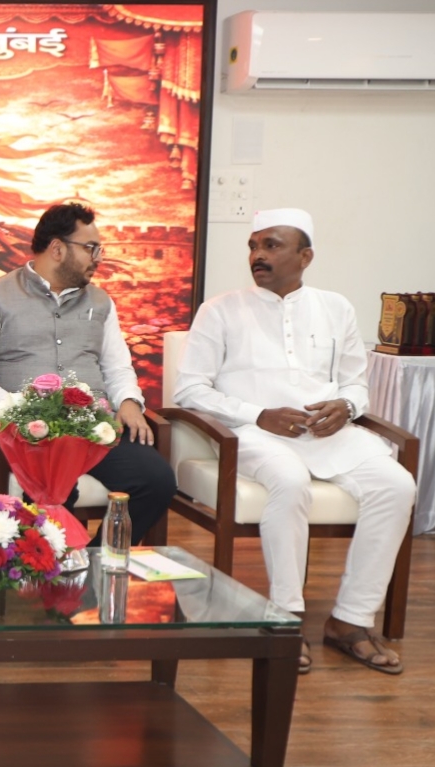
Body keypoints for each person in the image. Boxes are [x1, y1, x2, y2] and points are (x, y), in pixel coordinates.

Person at [174, 208, 414, 676]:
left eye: (271, 245)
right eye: (253, 246)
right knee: (289, 480)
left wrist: (345, 406)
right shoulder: (220, 309)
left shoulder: (336, 307)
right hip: (251, 433)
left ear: (306, 256)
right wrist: (257, 414)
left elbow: (355, 383)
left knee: (397, 485)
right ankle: (286, 616)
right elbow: (190, 390)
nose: (257, 255)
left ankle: (351, 620)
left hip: (327, 434)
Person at [0, 202, 174, 545]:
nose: (98, 258)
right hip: (25, 436)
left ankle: (94, 561)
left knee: (156, 481)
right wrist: (19, 410)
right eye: (91, 248)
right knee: (57, 490)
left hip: (92, 430)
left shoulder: (101, 302)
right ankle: (48, 570)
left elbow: (117, 367)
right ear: (57, 248)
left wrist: (129, 401)